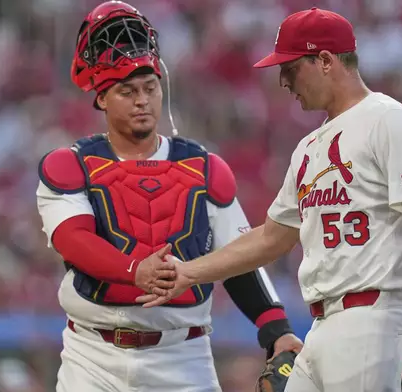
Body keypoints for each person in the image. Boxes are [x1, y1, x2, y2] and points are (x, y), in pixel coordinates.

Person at [138, 7, 402, 392]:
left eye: (290, 68)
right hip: (321, 327)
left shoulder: (390, 119)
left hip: (376, 320)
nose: (283, 81)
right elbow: (272, 237)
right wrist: (189, 272)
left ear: (324, 60)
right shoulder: (308, 148)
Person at [35, 2, 302, 391]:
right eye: (127, 91)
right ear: (103, 98)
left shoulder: (204, 167)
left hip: (184, 358)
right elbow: (72, 239)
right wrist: (133, 271)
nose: (142, 100)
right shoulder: (71, 165)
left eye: (150, 88)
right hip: (92, 358)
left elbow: (239, 255)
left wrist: (275, 327)